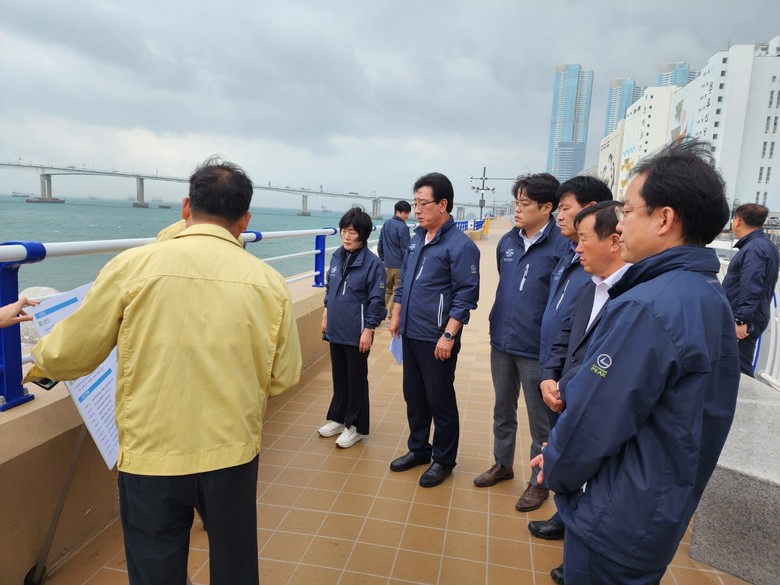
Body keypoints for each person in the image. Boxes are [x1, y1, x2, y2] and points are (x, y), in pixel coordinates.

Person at [24, 157, 302, 585]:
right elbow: (284, 375)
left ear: (186, 207)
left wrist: (36, 364)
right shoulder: (270, 282)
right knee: (235, 562)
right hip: (231, 451)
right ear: (245, 219)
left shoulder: (133, 266)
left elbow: (71, 353)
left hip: (152, 451)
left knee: (155, 568)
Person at [534, 139, 740, 584]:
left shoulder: (648, 307)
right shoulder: (705, 293)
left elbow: (595, 416)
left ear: (664, 218)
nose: (620, 223)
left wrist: (556, 466)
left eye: (628, 211)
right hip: (657, 505)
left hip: (616, 515)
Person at [533, 200, 629, 584]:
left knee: (593, 483)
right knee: (572, 477)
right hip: (566, 397)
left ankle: (577, 557)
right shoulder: (590, 288)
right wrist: (548, 376)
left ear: (614, 241)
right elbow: (564, 339)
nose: (576, 248)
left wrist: (568, 386)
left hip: (595, 408)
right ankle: (567, 529)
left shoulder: (633, 297)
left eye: (583, 239)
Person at [516, 176, 612, 513]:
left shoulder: (604, 271)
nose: (559, 215)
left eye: (565, 208)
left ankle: (558, 502)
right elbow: (563, 323)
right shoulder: (571, 256)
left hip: (578, 382)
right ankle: (562, 509)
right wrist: (549, 372)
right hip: (554, 370)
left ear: (591, 210)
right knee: (554, 437)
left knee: (572, 444)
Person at [474, 174, 566, 500]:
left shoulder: (562, 246)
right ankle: (503, 464)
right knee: (502, 409)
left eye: (524, 204)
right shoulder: (508, 242)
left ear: (547, 207)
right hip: (502, 340)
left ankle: (540, 481)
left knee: (541, 420)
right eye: (516, 202)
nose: (517, 209)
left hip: (536, 348)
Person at [388, 172, 480, 488]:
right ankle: (418, 449)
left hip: (438, 336)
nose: (417, 209)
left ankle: (443, 459)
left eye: (423, 203)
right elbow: (403, 282)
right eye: (415, 203)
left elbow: (466, 295)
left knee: (439, 398)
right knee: (414, 395)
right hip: (411, 332)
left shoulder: (460, 246)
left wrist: (449, 335)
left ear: (442, 204)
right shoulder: (416, 239)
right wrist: (396, 316)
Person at [318, 207, 387, 448]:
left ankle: (355, 425)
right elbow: (330, 288)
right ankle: (339, 418)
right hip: (336, 327)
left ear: (363, 235)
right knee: (340, 377)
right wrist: (326, 313)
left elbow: (377, 301)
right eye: (343, 231)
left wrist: (369, 329)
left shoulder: (373, 264)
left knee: (356, 379)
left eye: (352, 232)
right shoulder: (337, 256)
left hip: (357, 332)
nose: (346, 237)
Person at [722, 203, 780, 376]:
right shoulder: (766, 245)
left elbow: (751, 286)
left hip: (744, 319)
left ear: (738, 221)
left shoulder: (754, 249)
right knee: (733, 363)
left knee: (738, 366)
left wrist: (741, 321)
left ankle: (741, 394)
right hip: (751, 315)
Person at [377, 200, 411, 316]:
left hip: (387, 265)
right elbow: (405, 249)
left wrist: (383, 258)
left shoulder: (386, 223)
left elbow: (380, 244)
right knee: (397, 293)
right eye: (406, 212)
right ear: (398, 212)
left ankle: (378, 314)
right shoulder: (403, 227)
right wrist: (408, 265)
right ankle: (391, 318)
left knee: (386, 291)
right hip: (399, 266)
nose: (407, 215)